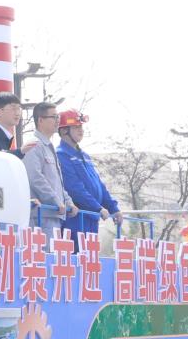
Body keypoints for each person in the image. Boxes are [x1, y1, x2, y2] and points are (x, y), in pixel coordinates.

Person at [54, 110, 123, 239]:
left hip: (91, 218)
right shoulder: (61, 155)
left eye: (81, 127)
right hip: (75, 219)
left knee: (90, 252)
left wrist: (114, 208)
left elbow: (99, 185)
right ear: (63, 131)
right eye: (76, 127)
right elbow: (74, 188)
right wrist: (98, 208)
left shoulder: (84, 156)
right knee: (75, 251)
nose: (81, 130)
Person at [20, 102, 71, 227]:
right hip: (41, 216)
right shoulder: (33, 145)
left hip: (53, 213)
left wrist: (68, 201)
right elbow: (35, 178)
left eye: (58, 117)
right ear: (40, 120)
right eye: (54, 117)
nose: (57, 120)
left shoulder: (48, 146)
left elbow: (56, 182)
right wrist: (55, 200)